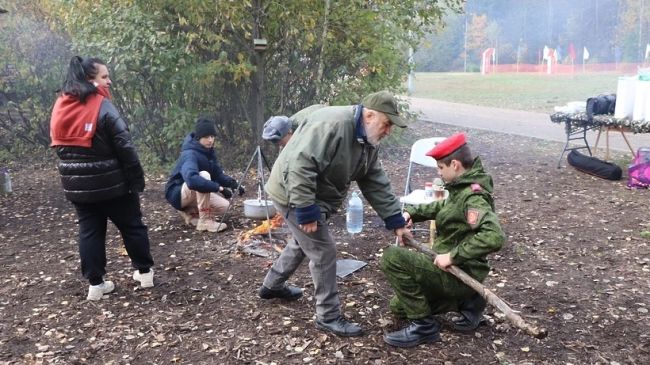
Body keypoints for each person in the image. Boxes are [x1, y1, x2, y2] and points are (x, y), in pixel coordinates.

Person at [258, 91, 412, 337]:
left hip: (311, 196)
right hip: (292, 193)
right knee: (323, 250)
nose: (388, 131)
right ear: (369, 115)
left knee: (302, 242)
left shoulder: (366, 140)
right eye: (387, 124)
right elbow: (300, 164)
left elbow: (373, 179)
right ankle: (328, 316)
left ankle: (271, 286)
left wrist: (395, 219)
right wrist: (305, 209)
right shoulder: (332, 125)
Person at [380, 132, 505, 348]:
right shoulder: (461, 188)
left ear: (455, 165)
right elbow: (444, 207)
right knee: (399, 307)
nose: (438, 172)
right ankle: (470, 301)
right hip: (449, 269)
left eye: (440, 168)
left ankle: (424, 327)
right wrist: (412, 213)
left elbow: (493, 236)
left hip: (459, 272)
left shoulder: (473, 196)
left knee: (392, 257)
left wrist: (453, 256)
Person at [49, 56, 154, 301]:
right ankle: (145, 273)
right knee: (132, 226)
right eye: (104, 77)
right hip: (114, 185)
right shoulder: (102, 105)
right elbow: (125, 146)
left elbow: (59, 146)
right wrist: (136, 178)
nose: (109, 81)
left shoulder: (61, 106)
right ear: (90, 80)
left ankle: (96, 285)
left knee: (90, 232)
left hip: (77, 186)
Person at [164, 117, 245, 232]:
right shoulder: (190, 154)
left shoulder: (209, 152)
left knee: (224, 207)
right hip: (177, 193)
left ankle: (190, 212)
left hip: (192, 192)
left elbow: (218, 174)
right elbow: (192, 180)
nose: (210, 140)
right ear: (198, 138)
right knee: (203, 176)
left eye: (212, 137)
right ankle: (205, 221)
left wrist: (233, 184)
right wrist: (219, 188)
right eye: (206, 137)